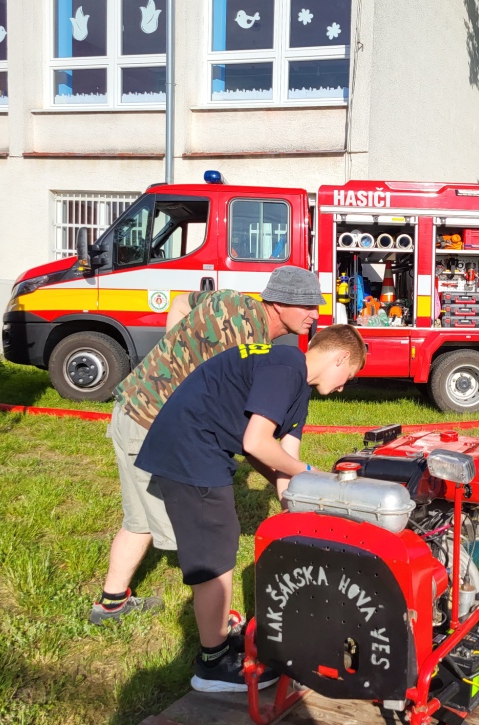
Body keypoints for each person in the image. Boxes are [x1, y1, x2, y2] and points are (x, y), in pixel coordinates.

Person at [135, 325, 367, 693]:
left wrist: (303, 516)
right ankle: (212, 664)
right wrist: (313, 473)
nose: (342, 387)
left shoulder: (298, 388)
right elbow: (256, 443)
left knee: (221, 542)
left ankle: (219, 639)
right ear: (339, 358)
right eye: (348, 377)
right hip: (188, 446)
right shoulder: (287, 365)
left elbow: (282, 464)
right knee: (214, 551)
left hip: (202, 446)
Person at [89, 267, 324, 626]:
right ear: (278, 304)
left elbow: (180, 303)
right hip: (152, 420)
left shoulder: (229, 299)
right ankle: (216, 626)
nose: (314, 314)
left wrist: (172, 353)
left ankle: (110, 604)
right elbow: (252, 440)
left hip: (130, 407)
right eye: (306, 306)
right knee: (201, 532)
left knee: (139, 521)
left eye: (315, 306)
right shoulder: (246, 341)